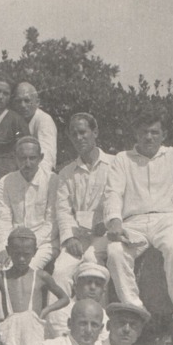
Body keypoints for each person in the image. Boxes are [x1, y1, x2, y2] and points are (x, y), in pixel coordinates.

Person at [104, 108, 173, 313]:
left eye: (154, 132)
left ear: (163, 135)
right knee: (115, 252)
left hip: (168, 219)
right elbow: (113, 192)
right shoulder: (122, 159)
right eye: (144, 132)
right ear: (136, 134)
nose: (149, 137)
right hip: (134, 223)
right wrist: (114, 220)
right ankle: (135, 309)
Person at [52, 112, 116, 297]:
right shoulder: (66, 173)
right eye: (74, 134)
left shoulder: (115, 164)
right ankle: (58, 324)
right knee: (60, 272)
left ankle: (100, 322)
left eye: (82, 132)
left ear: (95, 132)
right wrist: (69, 238)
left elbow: (123, 199)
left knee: (93, 268)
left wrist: (107, 223)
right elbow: (63, 209)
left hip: (105, 234)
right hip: (78, 237)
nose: (78, 138)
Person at [0, 137, 58, 274]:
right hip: (13, 244)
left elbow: (52, 222)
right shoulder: (6, 181)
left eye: (32, 158)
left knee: (25, 272)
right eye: (23, 158)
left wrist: (28, 245)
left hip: (44, 243)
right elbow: (3, 219)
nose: (27, 163)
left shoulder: (52, 180)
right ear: (15, 158)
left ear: (41, 158)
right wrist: (2, 248)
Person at [46, 262, 109, 339]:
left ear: (103, 292)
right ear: (75, 287)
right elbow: (68, 342)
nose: (93, 287)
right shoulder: (61, 310)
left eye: (98, 284)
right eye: (88, 282)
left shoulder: (105, 316)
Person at [11, 82, 58, 179]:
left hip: (37, 175)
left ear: (37, 102)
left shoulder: (44, 120)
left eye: (27, 101)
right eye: (18, 101)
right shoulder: (15, 120)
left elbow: (47, 155)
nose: (23, 105)